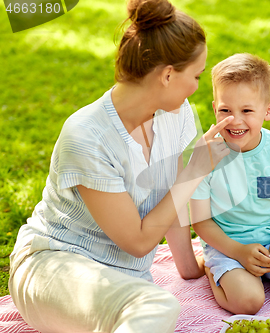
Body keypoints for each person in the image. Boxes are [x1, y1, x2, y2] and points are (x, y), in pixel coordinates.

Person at [8, 0, 235, 332]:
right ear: (168, 75)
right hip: (53, 265)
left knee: (154, 307)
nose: (197, 87)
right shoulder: (87, 135)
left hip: (125, 281)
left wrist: (188, 268)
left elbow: (170, 201)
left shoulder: (178, 113)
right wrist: (197, 168)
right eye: (197, 76)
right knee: (156, 307)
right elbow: (139, 242)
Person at [190, 53, 270, 315]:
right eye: (225, 110)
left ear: (268, 111)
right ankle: (212, 269)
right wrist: (237, 251)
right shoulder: (206, 156)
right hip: (227, 244)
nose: (235, 121)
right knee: (248, 302)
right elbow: (200, 221)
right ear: (215, 108)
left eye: (247, 110)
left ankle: (267, 268)